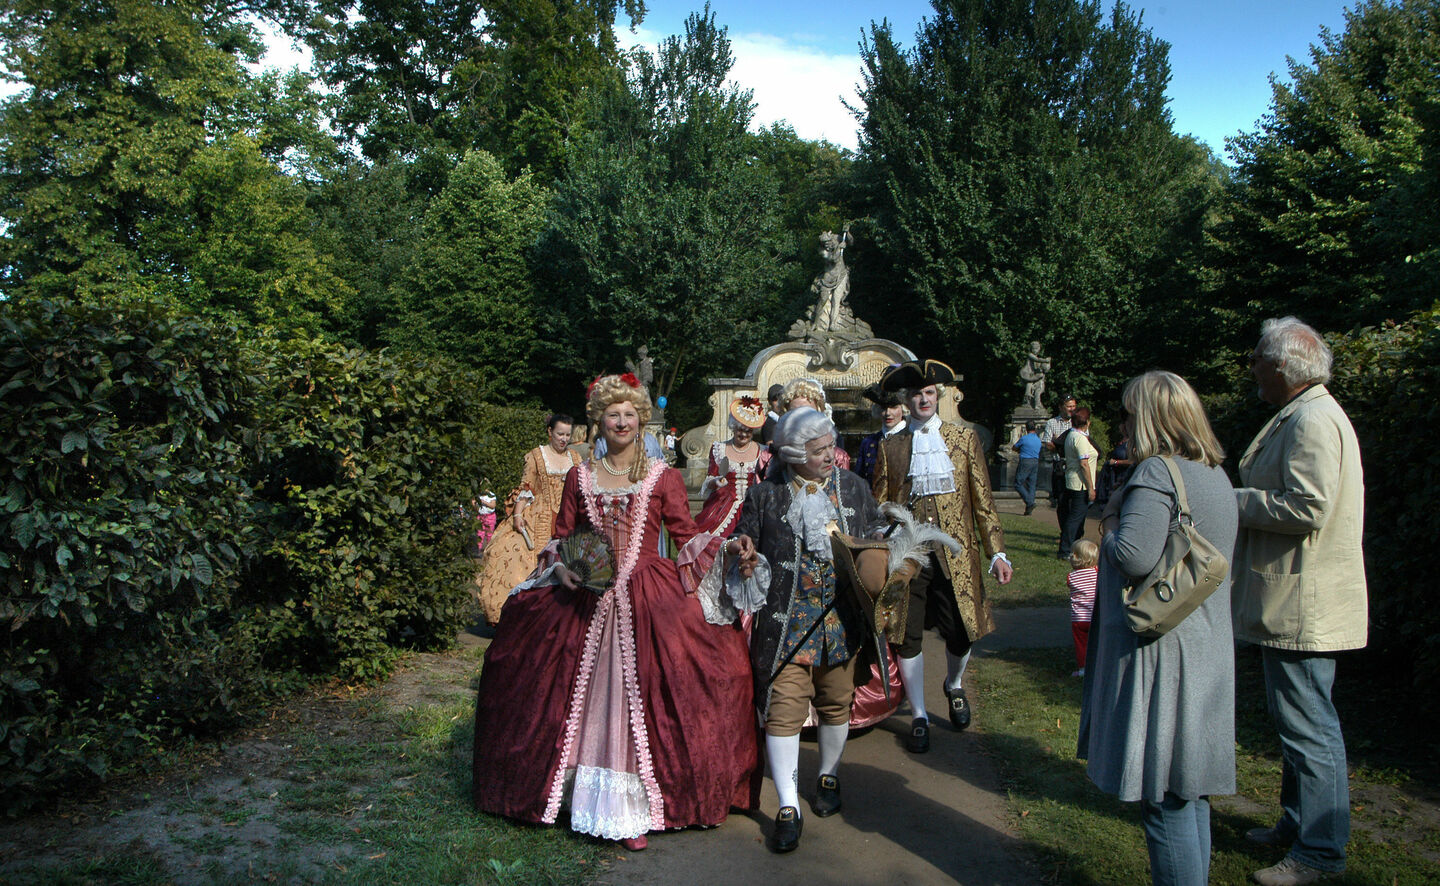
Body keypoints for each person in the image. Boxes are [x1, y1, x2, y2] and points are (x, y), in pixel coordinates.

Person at [471, 374, 759, 852]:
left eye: (629, 413)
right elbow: (562, 535)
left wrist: (728, 551)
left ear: (640, 419)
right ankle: (574, 799)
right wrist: (561, 567)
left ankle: (631, 810)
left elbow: (686, 535)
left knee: (648, 692)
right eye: (612, 414)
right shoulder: (579, 476)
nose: (621, 421)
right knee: (552, 679)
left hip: (648, 596)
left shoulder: (662, 477)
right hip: (585, 597)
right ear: (598, 422)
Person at [1077, 370, 1238, 886]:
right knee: (1188, 792)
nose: (1122, 423)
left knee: (1163, 797)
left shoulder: (1155, 475)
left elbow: (1133, 557)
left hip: (1162, 653)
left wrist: (1111, 519)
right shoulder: (1212, 472)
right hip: (1203, 643)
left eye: (1127, 412)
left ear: (1147, 417)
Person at [1233, 317, 1366, 886]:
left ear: (1284, 365)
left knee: (1310, 728)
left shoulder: (1311, 418)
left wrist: (1231, 500)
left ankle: (1319, 854)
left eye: (1259, 359)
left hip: (1302, 602)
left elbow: (1307, 507)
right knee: (1299, 724)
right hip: (1293, 597)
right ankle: (1297, 826)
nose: (1254, 368)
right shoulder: (1306, 411)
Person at [728, 407, 886, 852]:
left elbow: (875, 539)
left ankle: (829, 776)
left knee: (837, 703)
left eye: (830, 447)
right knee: (783, 711)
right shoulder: (766, 495)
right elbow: (746, 538)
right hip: (785, 625)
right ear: (795, 455)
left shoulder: (854, 488)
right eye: (818, 451)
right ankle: (786, 807)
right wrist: (743, 552)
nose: (830, 456)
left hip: (841, 622)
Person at [873, 359, 1013, 751]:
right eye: (916, 394)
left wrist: (997, 553)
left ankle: (953, 685)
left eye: (930, 393)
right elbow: (880, 504)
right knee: (907, 634)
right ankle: (919, 713)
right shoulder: (892, 446)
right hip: (910, 557)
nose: (923, 400)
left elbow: (983, 501)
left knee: (961, 629)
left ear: (939, 396)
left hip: (958, 554)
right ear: (906, 399)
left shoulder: (963, 440)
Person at [475, 414, 582, 625]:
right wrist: (517, 515)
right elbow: (527, 488)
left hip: (568, 515)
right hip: (539, 516)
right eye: (560, 434)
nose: (564, 439)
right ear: (549, 432)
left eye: (567, 435)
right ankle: (521, 616)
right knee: (520, 559)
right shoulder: (536, 456)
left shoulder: (575, 458)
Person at [694, 396, 772, 537]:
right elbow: (709, 479)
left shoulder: (764, 452)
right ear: (733, 427)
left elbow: (767, 482)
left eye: (748, 431)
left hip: (754, 510)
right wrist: (716, 481)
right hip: (722, 508)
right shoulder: (719, 448)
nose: (743, 434)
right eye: (739, 429)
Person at [777, 377, 851, 470]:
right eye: (795, 413)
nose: (803, 420)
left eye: (809, 413)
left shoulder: (838, 458)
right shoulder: (771, 457)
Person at [1057, 407, 1098, 560]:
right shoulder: (1079, 438)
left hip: (1074, 480)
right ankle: (1065, 549)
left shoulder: (1072, 435)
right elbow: (1084, 463)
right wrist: (1091, 487)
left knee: (1076, 517)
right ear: (1087, 422)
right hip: (1080, 483)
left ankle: (1073, 545)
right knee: (1075, 517)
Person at [854, 383, 907, 486]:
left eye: (893, 407)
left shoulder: (911, 438)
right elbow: (860, 479)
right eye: (883, 408)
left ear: (903, 408)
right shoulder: (869, 442)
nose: (888, 413)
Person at [1066, 539, 1098, 677]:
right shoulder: (1098, 573)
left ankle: (1083, 669)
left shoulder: (1071, 577)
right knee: (1098, 642)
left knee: (1081, 644)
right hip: (1096, 616)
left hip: (1079, 619)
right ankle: (1099, 664)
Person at [1042, 395, 1078, 508]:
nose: (1072, 409)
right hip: (1059, 464)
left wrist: (1057, 442)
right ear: (1061, 407)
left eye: (1074, 406)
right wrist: (1063, 449)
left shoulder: (1078, 422)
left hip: (1074, 464)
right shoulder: (1052, 423)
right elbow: (1047, 443)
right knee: (1061, 498)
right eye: (1069, 406)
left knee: (1074, 497)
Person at [1012, 421, 1042, 515]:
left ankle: (1030, 502)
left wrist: (1019, 449)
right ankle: (1029, 509)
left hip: (1025, 461)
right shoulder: (1038, 439)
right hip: (1035, 461)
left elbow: (1014, 447)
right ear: (1035, 428)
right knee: (1031, 485)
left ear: (1026, 428)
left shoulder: (1024, 438)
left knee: (1018, 483)